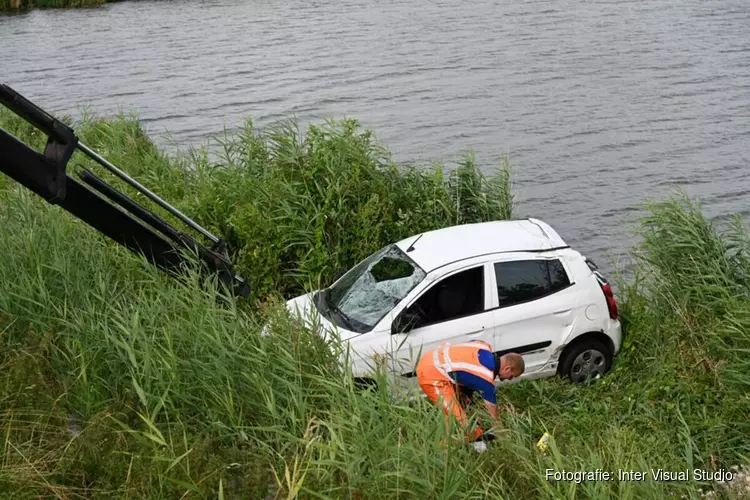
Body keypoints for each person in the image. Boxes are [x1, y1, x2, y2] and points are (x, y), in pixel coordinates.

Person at [416, 340, 525, 443]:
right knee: (461, 422)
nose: (508, 379)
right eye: (511, 376)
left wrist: (465, 394)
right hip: (430, 375)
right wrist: (504, 438)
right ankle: (442, 449)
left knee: (462, 406)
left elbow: (464, 365)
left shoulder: (483, 345)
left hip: (432, 357)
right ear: (507, 369)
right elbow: (494, 419)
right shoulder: (485, 378)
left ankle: (470, 440)